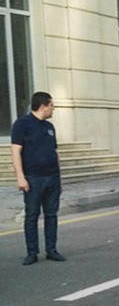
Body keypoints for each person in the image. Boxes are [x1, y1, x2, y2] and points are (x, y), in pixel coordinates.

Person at [10, 92, 66, 266]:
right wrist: (20, 177)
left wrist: (59, 177)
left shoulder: (49, 127)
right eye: (52, 106)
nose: (53, 109)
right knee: (32, 215)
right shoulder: (22, 124)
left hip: (52, 178)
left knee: (51, 215)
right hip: (33, 178)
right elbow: (15, 152)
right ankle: (32, 252)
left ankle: (52, 249)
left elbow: (54, 152)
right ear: (43, 106)